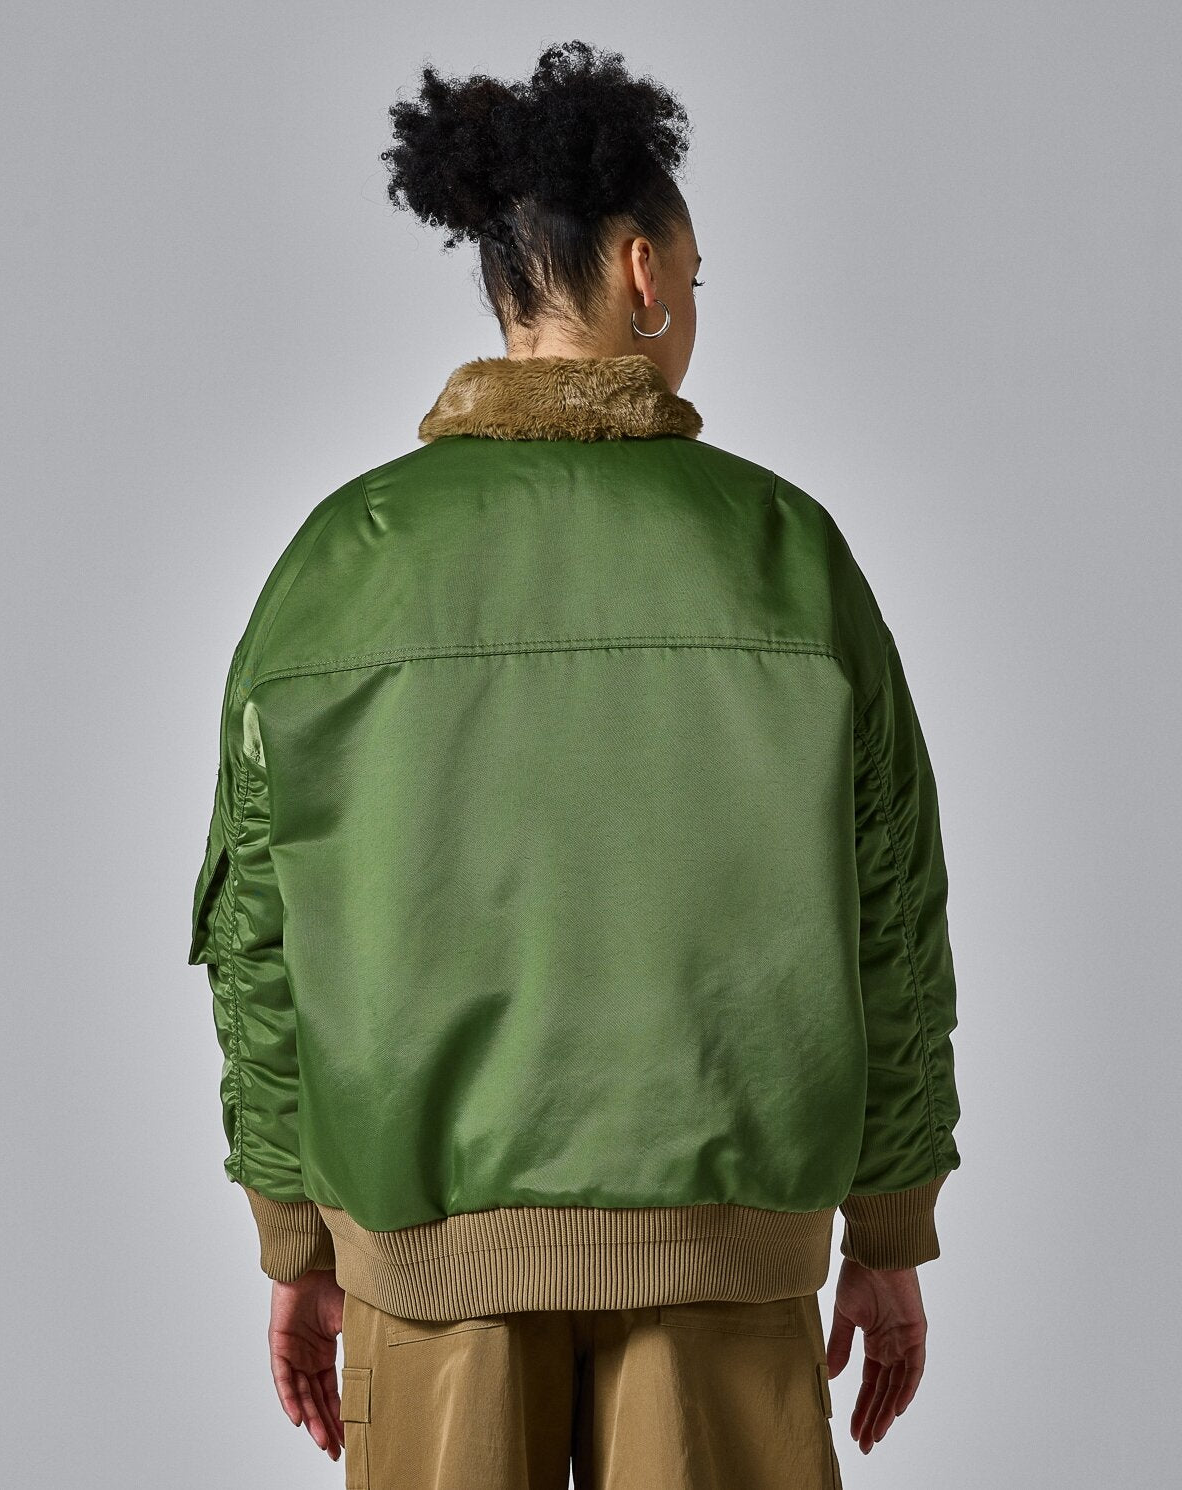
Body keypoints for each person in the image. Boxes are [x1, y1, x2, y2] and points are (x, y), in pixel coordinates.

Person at [187, 39, 961, 1490]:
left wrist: (293, 1236)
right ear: (643, 273)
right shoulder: (785, 552)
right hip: (729, 1251)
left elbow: (256, 937)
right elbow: (893, 922)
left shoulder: (339, 563)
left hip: (426, 1262)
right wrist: (890, 1225)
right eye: (695, 276)